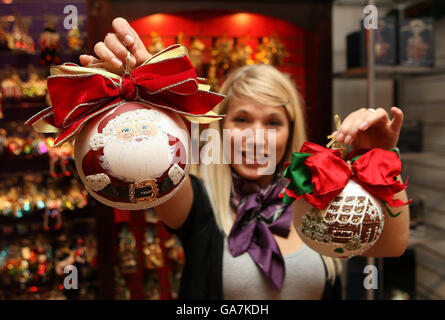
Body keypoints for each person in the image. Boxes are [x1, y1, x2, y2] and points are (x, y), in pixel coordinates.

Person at [80, 17, 410, 299]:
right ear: (221, 130)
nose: (256, 136)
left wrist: (381, 157)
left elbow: (390, 247)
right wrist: (148, 96)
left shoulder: (320, 193)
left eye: (273, 122)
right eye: (241, 120)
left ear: (290, 133)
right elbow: (155, 172)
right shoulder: (198, 198)